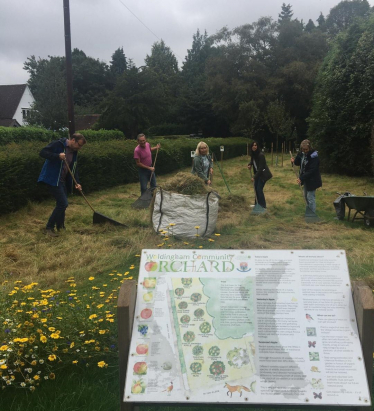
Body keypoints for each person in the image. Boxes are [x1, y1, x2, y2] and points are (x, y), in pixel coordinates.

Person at [38, 133, 87, 237]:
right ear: (73, 140)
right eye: (79, 145)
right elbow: (42, 152)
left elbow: (74, 169)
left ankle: (60, 227)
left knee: (62, 204)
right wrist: (57, 156)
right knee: (63, 203)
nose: (80, 148)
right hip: (52, 179)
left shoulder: (74, 152)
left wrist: (77, 183)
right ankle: (49, 228)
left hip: (62, 181)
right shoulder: (58, 144)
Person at [291, 139, 322, 213]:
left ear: (310, 148)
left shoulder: (314, 156)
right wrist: (294, 161)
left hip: (312, 179)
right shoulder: (302, 153)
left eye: (306, 149)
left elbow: (312, 170)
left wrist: (301, 178)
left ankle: (312, 215)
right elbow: (298, 163)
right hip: (305, 179)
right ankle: (309, 212)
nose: (305, 151)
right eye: (303, 149)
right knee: (305, 196)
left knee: (310, 197)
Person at [247, 141, 272, 209]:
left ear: (257, 147)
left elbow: (261, 168)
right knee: (256, 189)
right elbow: (252, 161)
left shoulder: (261, 155)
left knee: (259, 189)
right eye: (253, 145)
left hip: (263, 174)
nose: (254, 146)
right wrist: (250, 164)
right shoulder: (253, 154)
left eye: (255, 145)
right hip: (258, 174)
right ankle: (256, 204)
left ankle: (263, 206)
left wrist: (254, 177)